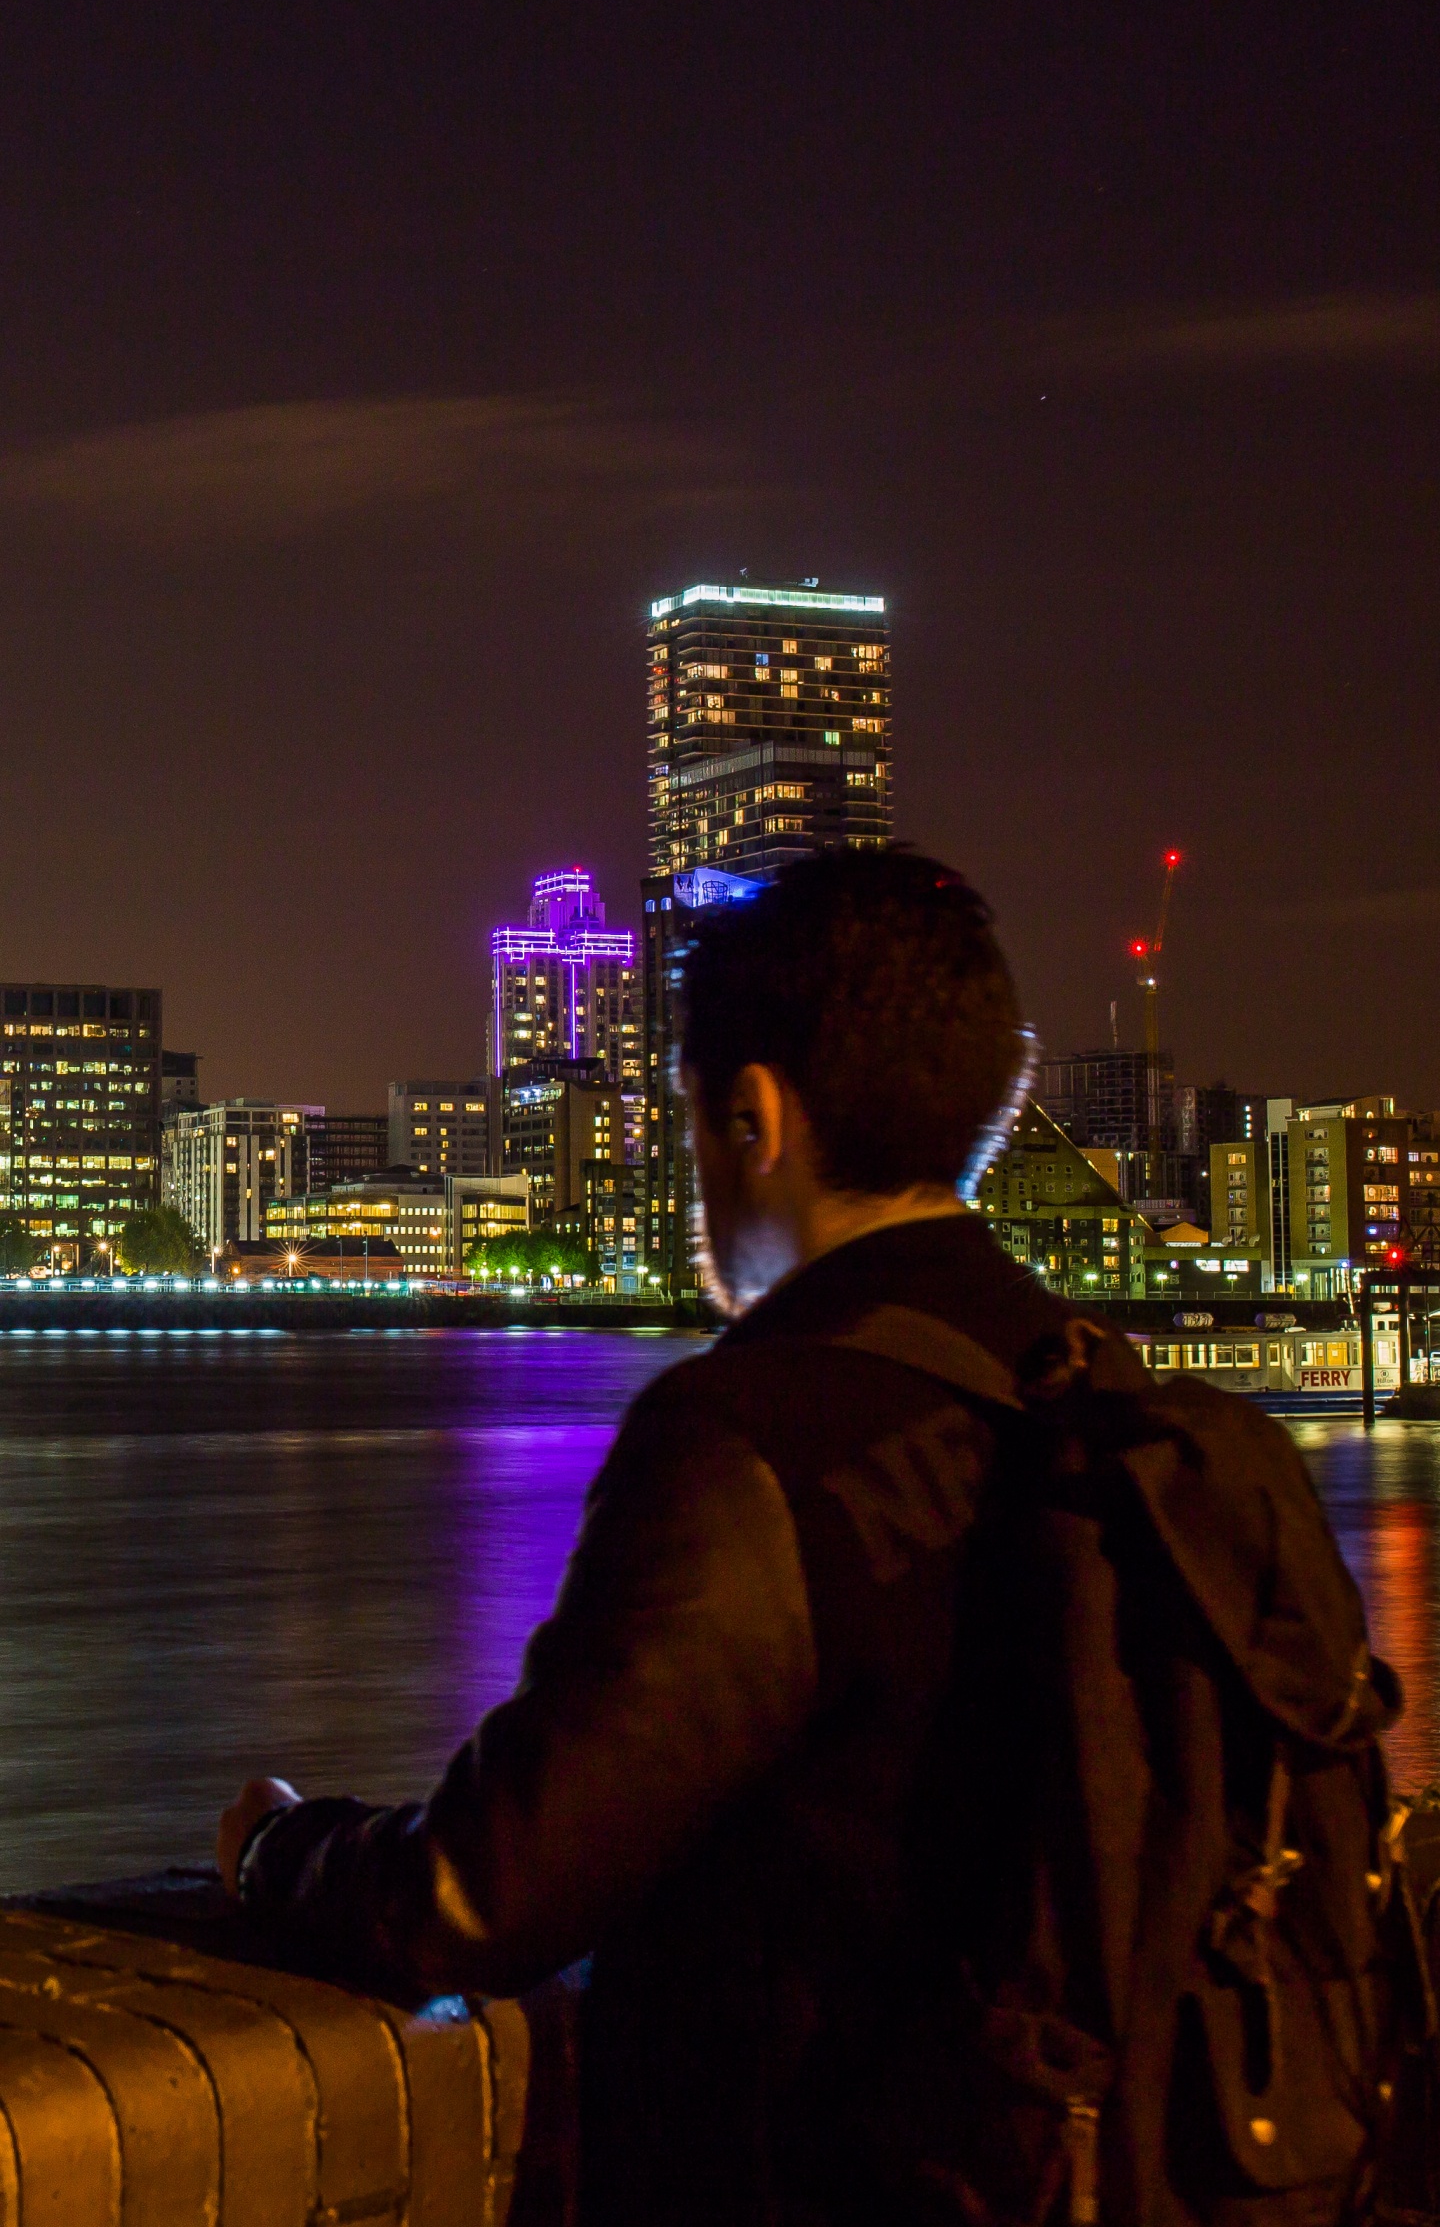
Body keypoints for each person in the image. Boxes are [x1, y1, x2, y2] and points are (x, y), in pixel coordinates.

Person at [220, 848, 1400, 2227]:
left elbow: (490, 1890)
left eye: (691, 1127)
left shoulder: (753, 1439)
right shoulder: (1139, 1421)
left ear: (754, 1116)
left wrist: (279, 1853)